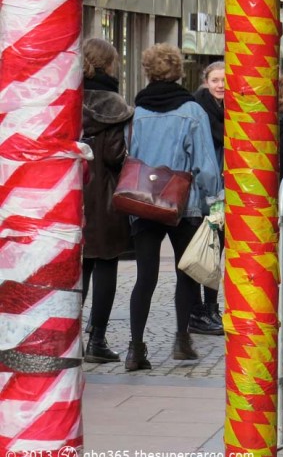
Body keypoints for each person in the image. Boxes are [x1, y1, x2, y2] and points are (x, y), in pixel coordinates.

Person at [125, 43, 222, 372]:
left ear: (148, 71)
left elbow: (131, 154)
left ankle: (135, 347)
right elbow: (206, 164)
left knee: (145, 278)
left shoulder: (137, 111)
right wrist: (214, 199)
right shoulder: (192, 111)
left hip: (142, 200)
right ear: (179, 71)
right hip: (185, 203)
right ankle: (182, 338)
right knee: (187, 274)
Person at [81, 38, 133, 363]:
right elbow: (115, 156)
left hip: (71, 195)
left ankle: (68, 336)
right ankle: (96, 340)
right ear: (108, 64)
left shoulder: (67, 96)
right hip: (104, 199)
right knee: (105, 265)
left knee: (77, 267)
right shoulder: (113, 104)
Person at [188, 61, 226, 336]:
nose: (221, 85)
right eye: (215, 80)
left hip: (225, 189)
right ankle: (198, 310)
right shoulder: (199, 109)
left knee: (217, 249)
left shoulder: (232, 109)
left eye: (225, 80)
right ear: (206, 81)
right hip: (204, 191)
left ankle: (211, 307)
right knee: (206, 249)